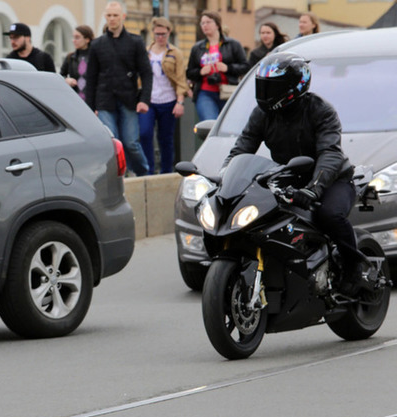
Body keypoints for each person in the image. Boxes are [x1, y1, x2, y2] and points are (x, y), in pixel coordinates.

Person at [223, 52, 365, 294]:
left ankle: (355, 268)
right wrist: (226, 177)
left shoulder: (320, 111)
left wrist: (314, 188)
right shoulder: (262, 114)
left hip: (331, 179)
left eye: (272, 87)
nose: (265, 93)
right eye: (263, 86)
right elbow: (243, 146)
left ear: (293, 87)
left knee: (329, 215)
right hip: (290, 174)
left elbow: (330, 154)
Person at [85, 1, 153, 177]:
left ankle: (142, 172)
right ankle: (117, 177)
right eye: (109, 15)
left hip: (129, 99)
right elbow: (90, 78)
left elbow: (146, 73)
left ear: (123, 16)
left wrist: (144, 100)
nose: (112, 19)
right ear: (105, 17)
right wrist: (90, 107)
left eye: (115, 15)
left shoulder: (135, 42)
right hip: (104, 100)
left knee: (131, 143)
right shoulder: (97, 45)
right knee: (111, 142)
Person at [137, 17, 189, 174]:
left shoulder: (175, 53)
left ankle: (166, 171)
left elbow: (181, 79)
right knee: (144, 134)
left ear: (169, 33)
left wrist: (180, 102)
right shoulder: (145, 53)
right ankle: (149, 170)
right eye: (157, 34)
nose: (160, 37)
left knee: (165, 139)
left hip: (168, 101)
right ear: (153, 33)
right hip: (149, 100)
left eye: (164, 34)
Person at [186, 10, 249, 121]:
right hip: (205, 92)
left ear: (217, 25)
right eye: (202, 23)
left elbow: (246, 67)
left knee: (229, 126)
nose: (205, 25)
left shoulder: (233, 44)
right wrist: (200, 72)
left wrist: (228, 68)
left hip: (229, 91)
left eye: (208, 22)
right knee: (210, 124)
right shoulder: (197, 48)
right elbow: (189, 73)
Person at [60, 25, 94, 101]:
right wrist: (66, 80)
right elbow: (60, 76)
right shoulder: (70, 57)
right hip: (75, 100)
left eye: (77, 37)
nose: (74, 40)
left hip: (92, 102)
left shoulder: (95, 57)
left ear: (87, 39)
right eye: (73, 37)